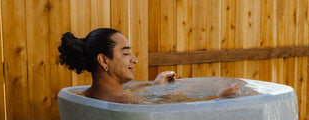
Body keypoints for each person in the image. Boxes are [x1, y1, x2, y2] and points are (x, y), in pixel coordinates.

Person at [58, 28, 239, 104]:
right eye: (126, 53)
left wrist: (154, 88)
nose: (135, 59)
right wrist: (218, 97)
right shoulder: (126, 103)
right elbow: (179, 110)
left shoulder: (83, 96)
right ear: (104, 61)